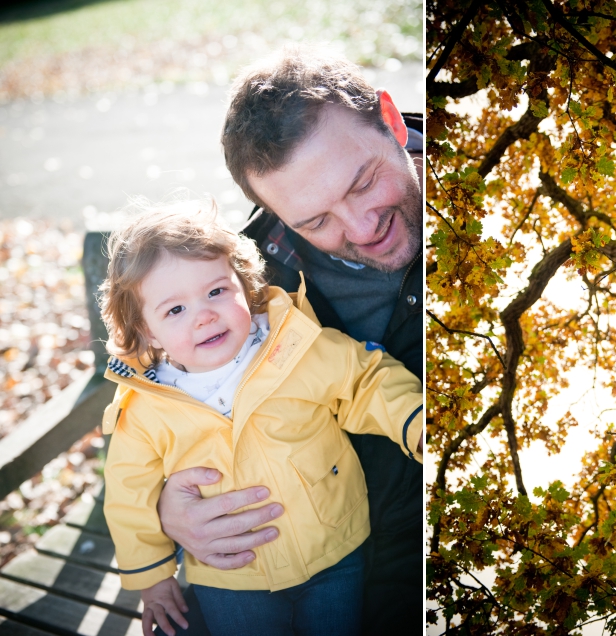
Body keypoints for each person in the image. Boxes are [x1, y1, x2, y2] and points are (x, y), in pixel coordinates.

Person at [152, 46, 424, 635]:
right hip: (282, 553)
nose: (360, 229)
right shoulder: (242, 285)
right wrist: (164, 507)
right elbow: (159, 402)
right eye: (315, 221)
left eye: (363, 183)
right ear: (274, 214)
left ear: (393, 120)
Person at [99, 203, 423, 636]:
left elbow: (364, 380)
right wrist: (154, 578)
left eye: (216, 291)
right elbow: (128, 495)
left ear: (244, 285)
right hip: (232, 578)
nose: (204, 315)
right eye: (175, 310)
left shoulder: (293, 347)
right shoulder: (145, 408)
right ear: (147, 331)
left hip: (333, 551)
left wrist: (418, 421)